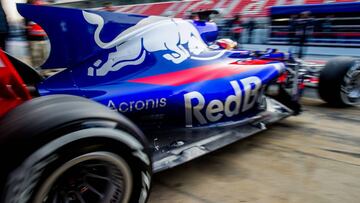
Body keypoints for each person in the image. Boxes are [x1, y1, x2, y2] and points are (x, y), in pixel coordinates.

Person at [26, 0, 49, 68]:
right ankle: (37, 74)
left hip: (43, 38)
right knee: (36, 60)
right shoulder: (28, 9)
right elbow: (27, 25)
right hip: (34, 40)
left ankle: (43, 74)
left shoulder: (43, 8)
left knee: (44, 58)